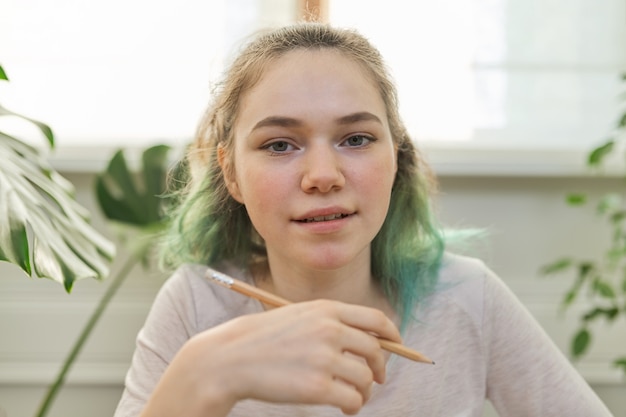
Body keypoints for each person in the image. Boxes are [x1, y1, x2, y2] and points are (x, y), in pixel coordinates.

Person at [114, 23, 613, 417]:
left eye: (355, 139)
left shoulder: (467, 299)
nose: (323, 176)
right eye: (279, 145)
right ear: (233, 175)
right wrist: (203, 376)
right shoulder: (196, 305)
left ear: (396, 158)